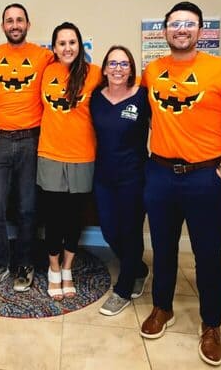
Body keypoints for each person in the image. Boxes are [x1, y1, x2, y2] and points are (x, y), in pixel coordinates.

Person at [140, 2, 221, 366]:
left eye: (189, 25)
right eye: (175, 24)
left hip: (206, 176)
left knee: (207, 254)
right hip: (159, 173)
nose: (181, 30)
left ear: (200, 31)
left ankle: (212, 325)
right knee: (163, 247)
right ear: (165, 31)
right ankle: (162, 308)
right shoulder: (152, 71)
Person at [0, 3, 54, 293]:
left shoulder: (43, 56)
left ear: (27, 24)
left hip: (31, 139)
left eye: (19, 20)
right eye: (9, 20)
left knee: (27, 208)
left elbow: (75, 71)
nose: (14, 24)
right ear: (2, 26)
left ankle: (24, 262)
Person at [37, 22, 101, 301]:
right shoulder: (45, 71)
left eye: (72, 42)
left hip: (82, 156)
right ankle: (53, 270)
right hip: (49, 154)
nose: (67, 48)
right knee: (53, 218)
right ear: (54, 48)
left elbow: (128, 82)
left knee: (75, 219)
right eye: (61, 43)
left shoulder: (95, 73)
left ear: (80, 46)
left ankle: (67, 269)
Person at [90, 46, 151, 315]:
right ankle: (138, 268)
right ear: (104, 69)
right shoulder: (95, 98)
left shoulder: (142, 96)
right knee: (109, 231)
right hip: (103, 176)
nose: (118, 68)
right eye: (112, 63)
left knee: (130, 231)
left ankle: (124, 289)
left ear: (131, 70)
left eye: (124, 64)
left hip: (134, 176)